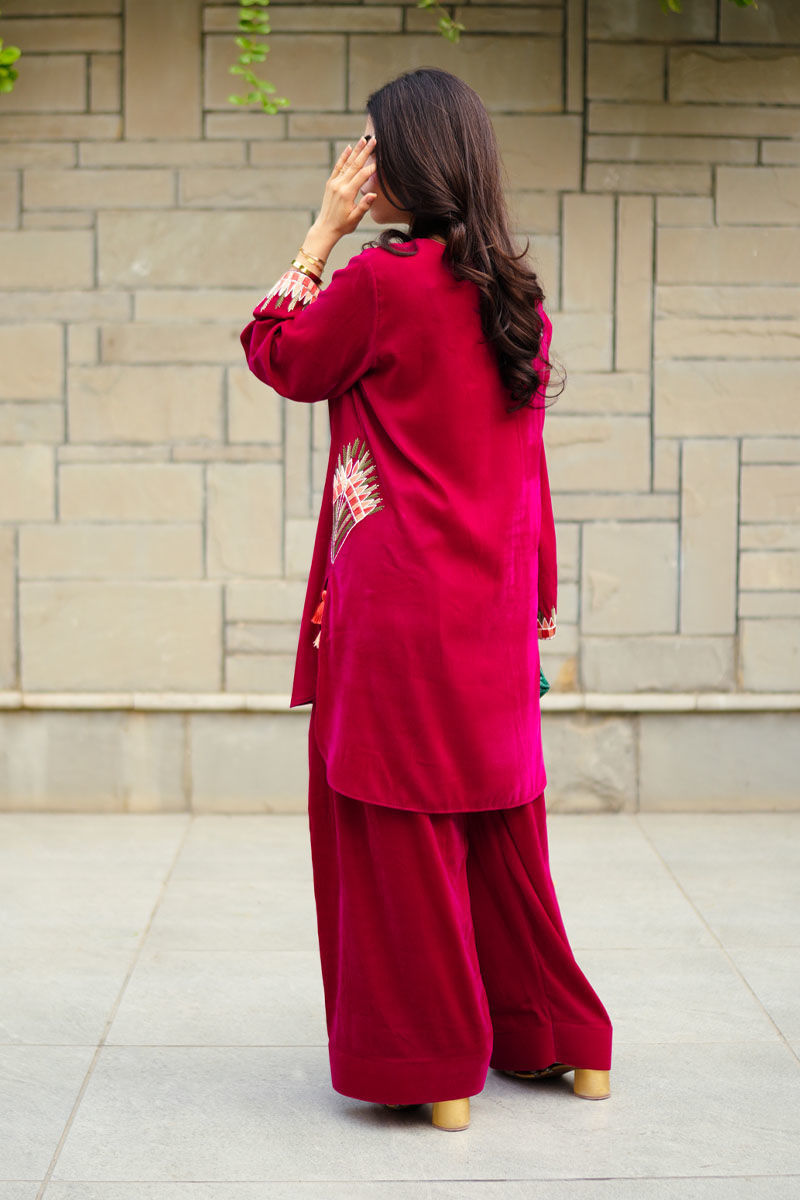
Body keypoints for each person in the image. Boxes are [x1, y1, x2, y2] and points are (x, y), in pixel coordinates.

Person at [240, 67, 613, 1133]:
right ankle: (565, 1040)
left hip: (397, 612)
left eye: (371, 149)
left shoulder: (380, 283)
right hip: (493, 610)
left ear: (405, 161)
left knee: (394, 828)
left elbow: (278, 353)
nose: (361, 169)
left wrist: (320, 233)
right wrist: (537, 599)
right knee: (502, 831)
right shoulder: (516, 298)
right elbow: (527, 469)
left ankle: (434, 1064)